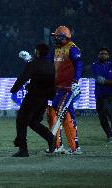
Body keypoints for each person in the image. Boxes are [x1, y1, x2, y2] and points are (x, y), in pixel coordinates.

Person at [10, 43, 57, 157]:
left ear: (38, 52)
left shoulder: (33, 64)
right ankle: (50, 138)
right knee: (33, 122)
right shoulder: (51, 65)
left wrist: (14, 89)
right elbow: (53, 83)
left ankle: (23, 149)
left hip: (33, 97)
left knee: (21, 120)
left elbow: (23, 77)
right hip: (44, 99)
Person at [47, 26, 82, 154]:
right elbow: (45, 62)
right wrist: (31, 60)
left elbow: (78, 64)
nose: (55, 39)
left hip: (68, 88)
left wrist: (76, 81)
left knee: (56, 110)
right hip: (58, 89)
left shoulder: (72, 48)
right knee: (65, 114)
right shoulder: (56, 50)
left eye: (57, 37)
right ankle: (67, 146)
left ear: (64, 37)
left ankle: (67, 146)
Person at [91, 47, 112, 143]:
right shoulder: (95, 66)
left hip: (111, 93)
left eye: (105, 53)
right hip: (99, 95)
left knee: (106, 107)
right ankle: (110, 135)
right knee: (101, 117)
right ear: (98, 55)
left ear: (108, 56)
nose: (103, 55)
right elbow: (98, 79)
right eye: (101, 53)